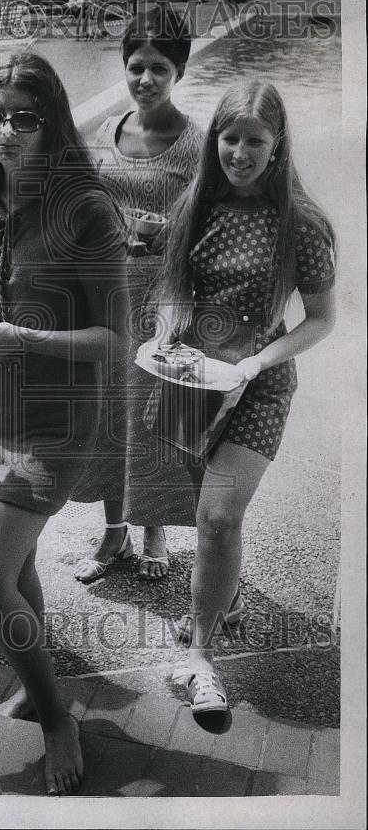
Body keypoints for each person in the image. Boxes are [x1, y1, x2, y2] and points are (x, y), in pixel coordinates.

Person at [0, 53, 129, 795]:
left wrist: (23, 338)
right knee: (16, 569)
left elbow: (116, 341)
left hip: (52, 419)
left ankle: (57, 716)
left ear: (53, 121)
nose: (6, 131)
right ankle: (37, 680)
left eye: (25, 117)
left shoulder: (86, 208)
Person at [154, 80, 336, 715]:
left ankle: (200, 657)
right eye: (229, 138)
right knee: (198, 495)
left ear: (277, 143)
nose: (239, 152)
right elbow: (173, 289)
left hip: (258, 383)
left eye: (254, 140)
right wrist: (162, 337)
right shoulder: (196, 205)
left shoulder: (303, 222)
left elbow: (319, 320)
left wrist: (258, 361)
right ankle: (225, 598)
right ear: (215, 141)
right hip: (190, 376)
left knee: (218, 517)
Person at [74, 6, 204, 584]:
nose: (145, 79)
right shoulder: (107, 132)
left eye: (158, 68)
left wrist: (165, 235)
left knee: (153, 416)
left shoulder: (198, 144)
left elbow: (208, 226)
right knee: (108, 415)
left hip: (165, 297)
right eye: (135, 67)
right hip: (107, 293)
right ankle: (112, 531)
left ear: (179, 70)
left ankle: (153, 530)